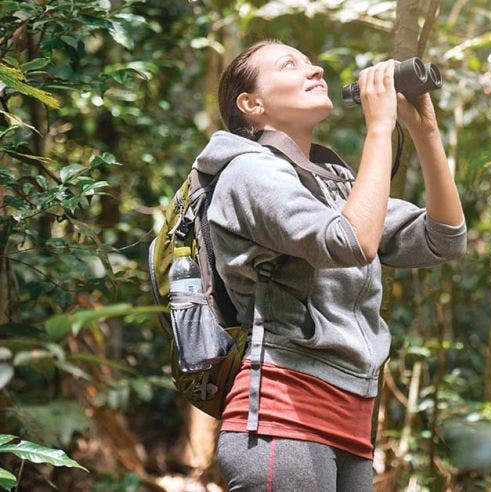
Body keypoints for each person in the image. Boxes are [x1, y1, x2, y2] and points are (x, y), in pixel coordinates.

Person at [193, 40, 467, 491]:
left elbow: (444, 239)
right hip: (283, 414)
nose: (314, 68)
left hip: (353, 417)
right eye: (290, 64)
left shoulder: (334, 185)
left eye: (310, 61)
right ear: (251, 104)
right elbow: (348, 242)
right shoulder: (247, 174)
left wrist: (425, 133)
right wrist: (379, 129)